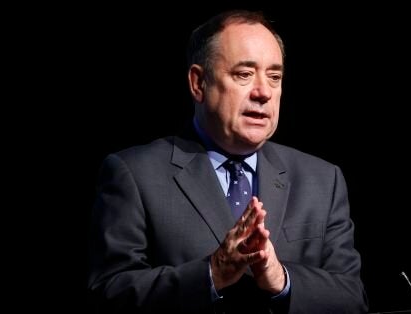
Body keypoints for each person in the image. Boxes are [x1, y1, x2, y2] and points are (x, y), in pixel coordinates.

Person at [88, 10, 368, 313]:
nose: (263, 92)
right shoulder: (134, 174)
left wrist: (281, 278)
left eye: (274, 77)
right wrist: (213, 272)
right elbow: (109, 293)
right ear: (198, 83)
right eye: (244, 75)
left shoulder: (323, 180)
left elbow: (352, 297)